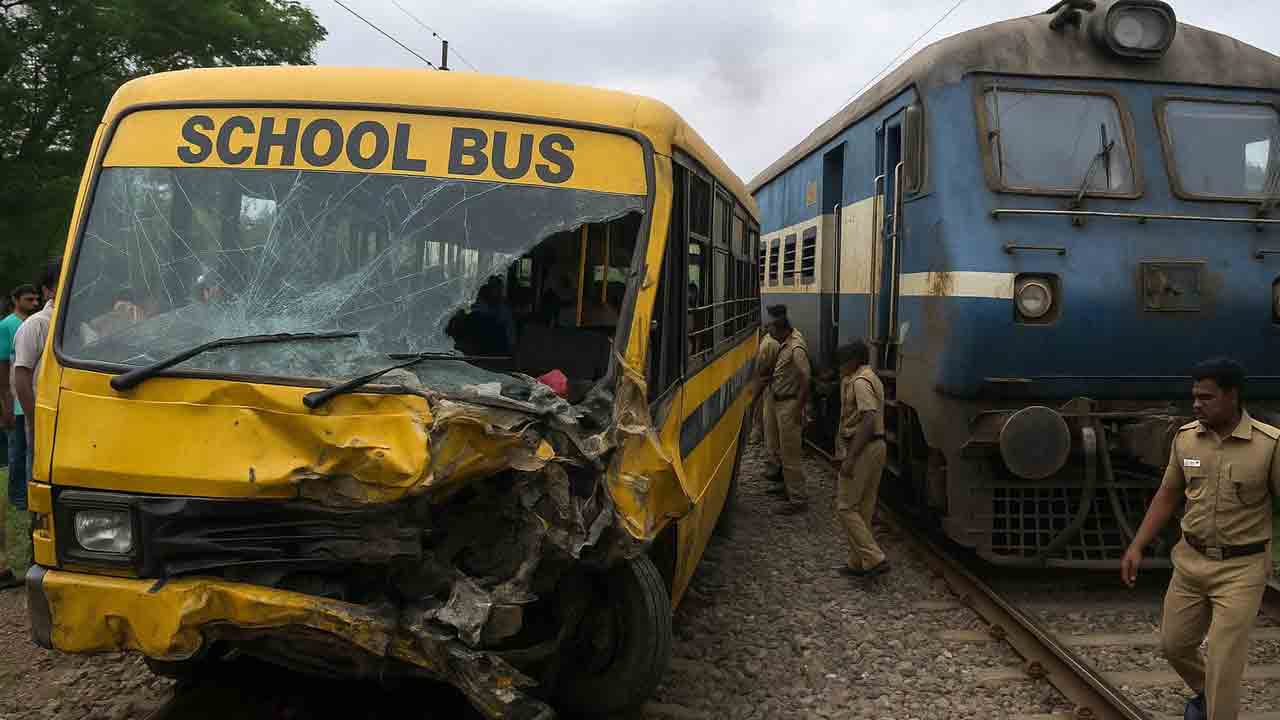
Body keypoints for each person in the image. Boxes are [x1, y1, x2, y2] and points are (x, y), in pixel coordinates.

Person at [1121, 358, 1278, 720]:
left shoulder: (1269, 445)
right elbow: (1167, 495)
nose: (1196, 404)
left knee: (1224, 661)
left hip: (1242, 569)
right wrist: (1137, 545)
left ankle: (1218, 709)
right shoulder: (1185, 439)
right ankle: (1209, 699)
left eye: (1206, 397)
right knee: (1174, 645)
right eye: (1194, 396)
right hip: (1190, 564)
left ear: (1232, 396)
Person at [834, 340, 889, 578]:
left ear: (854, 361)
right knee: (864, 507)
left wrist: (850, 458)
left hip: (864, 447)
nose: (839, 368)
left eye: (842, 363)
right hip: (877, 445)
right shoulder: (872, 377)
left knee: (845, 507)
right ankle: (857, 562)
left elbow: (868, 418)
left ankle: (875, 558)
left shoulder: (859, 382)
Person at [0, 284, 38, 589]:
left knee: (26, 456)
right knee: (17, 456)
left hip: (28, 403)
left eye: (36, 298)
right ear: (15, 300)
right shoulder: (8, 326)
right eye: (29, 299)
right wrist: (5, 402)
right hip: (16, 402)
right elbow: (5, 368)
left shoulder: (34, 324)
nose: (34, 302)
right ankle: (19, 498)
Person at [14, 260, 61, 487]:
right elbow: (21, 376)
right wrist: (34, 420)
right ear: (48, 290)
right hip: (44, 420)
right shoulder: (36, 325)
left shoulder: (79, 324)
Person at [761, 305, 810, 515]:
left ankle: (798, 499)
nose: (769, 334)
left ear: (780, 330)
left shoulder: (796, 348)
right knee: (780, 448)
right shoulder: (784, 343)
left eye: (771, 330)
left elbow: (806, 377)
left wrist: (798, 408)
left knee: (790, 453)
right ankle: (786, 487)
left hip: (789, 404)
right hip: (778, 400)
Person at [752, 327, 781, 464]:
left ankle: (773, 457)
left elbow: (763, 373)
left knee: (768, 420)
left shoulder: (768, 344)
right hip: (771, 386)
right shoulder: (769, 342)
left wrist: (754, 397)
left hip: (770, 386)